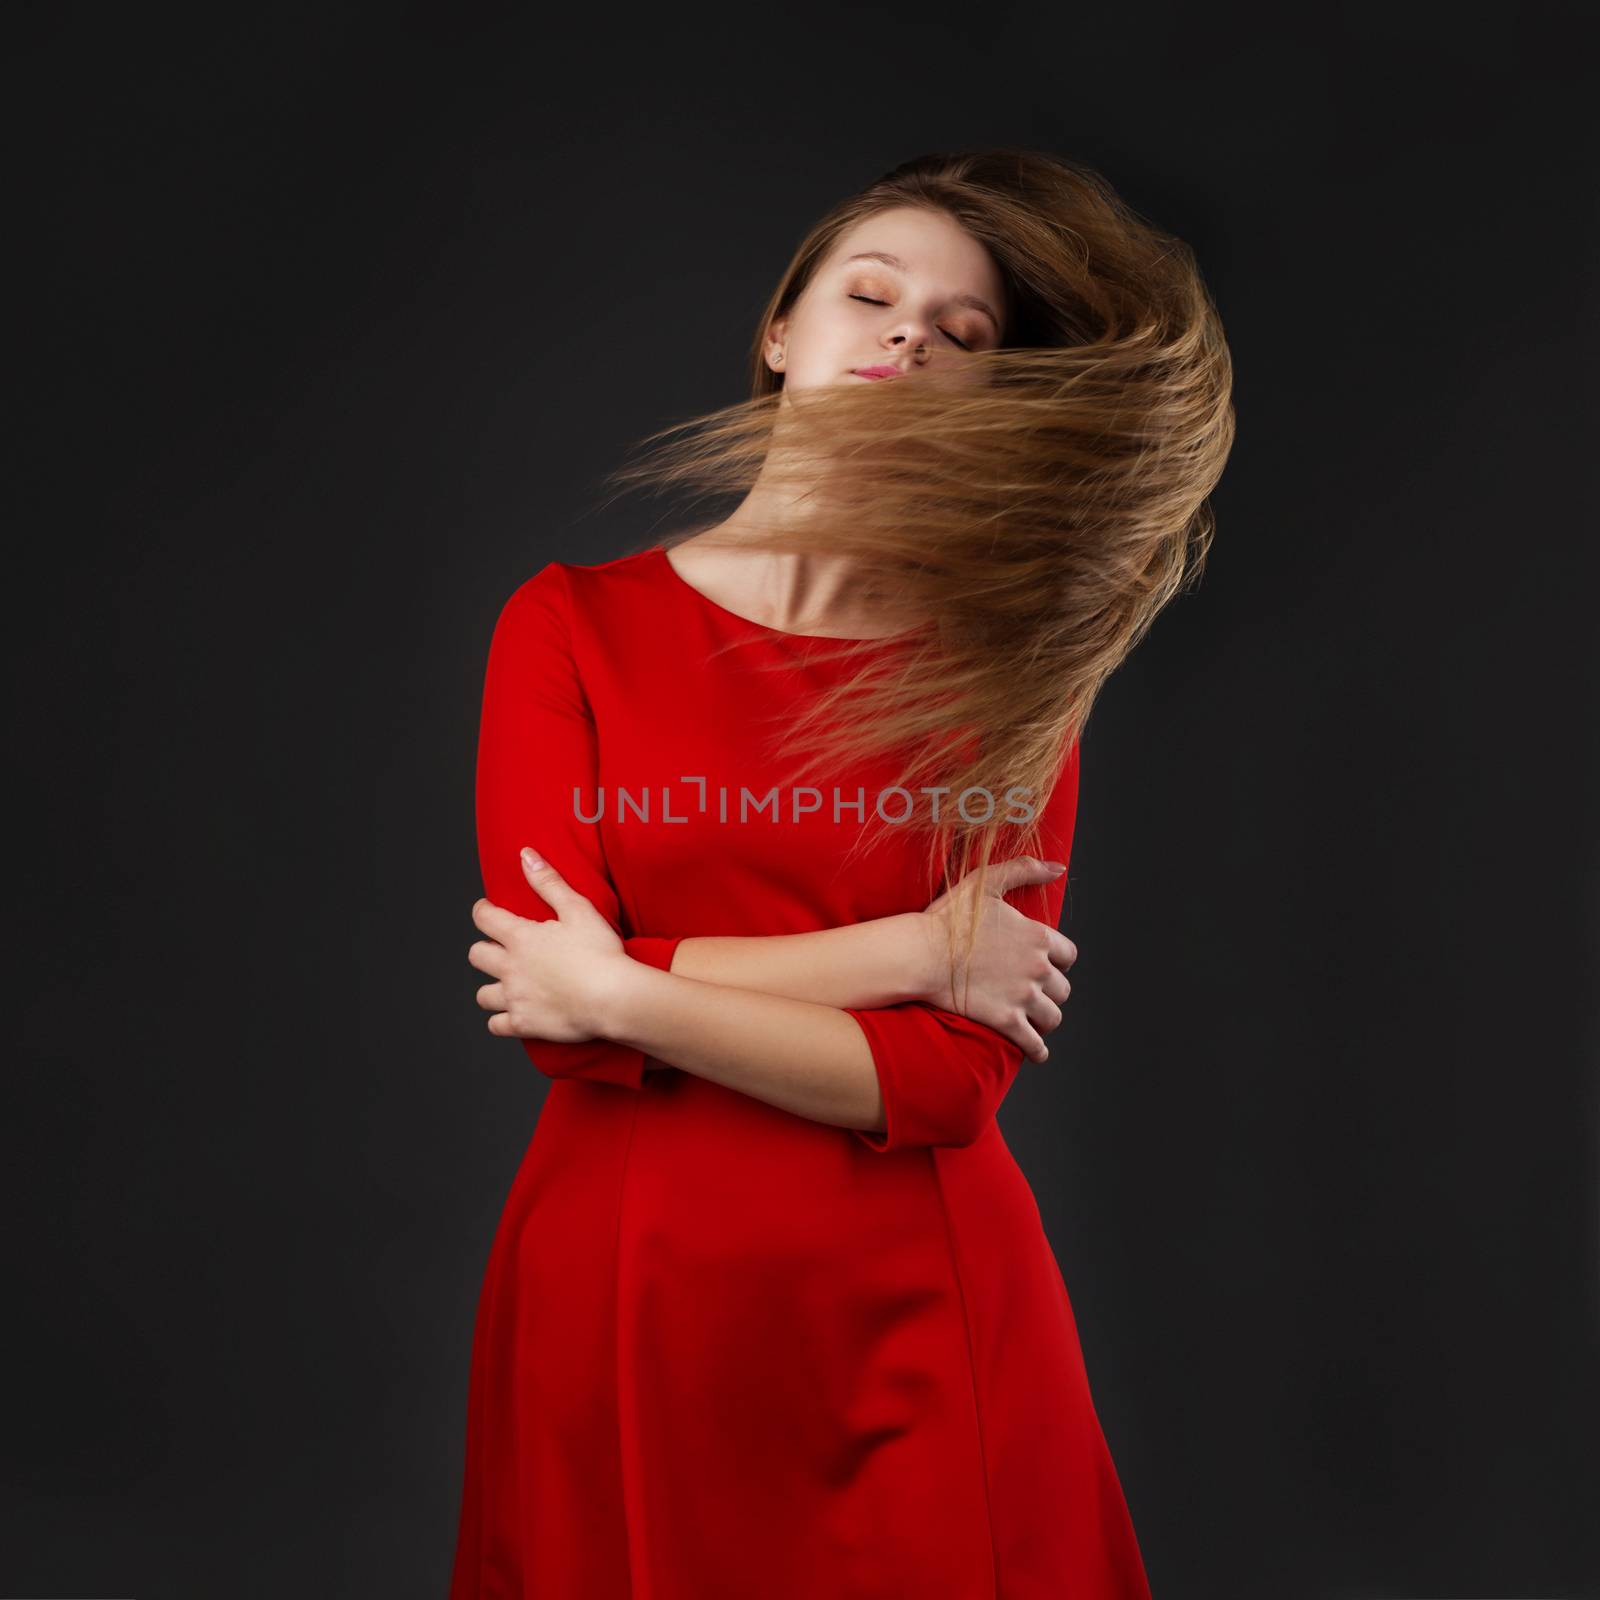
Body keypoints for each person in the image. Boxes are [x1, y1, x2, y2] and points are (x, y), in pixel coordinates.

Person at [449, 147, 1234, 1598]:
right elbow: (556, 1026)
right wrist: (908, 955)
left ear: (990, 393)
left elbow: (945, 1083)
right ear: (780, 331)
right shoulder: (567, 627)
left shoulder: (1017, 677)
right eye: (871, 292)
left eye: (965, 333)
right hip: (626, 1287)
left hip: (918, 1307)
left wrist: (625, 984)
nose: (907, 334)